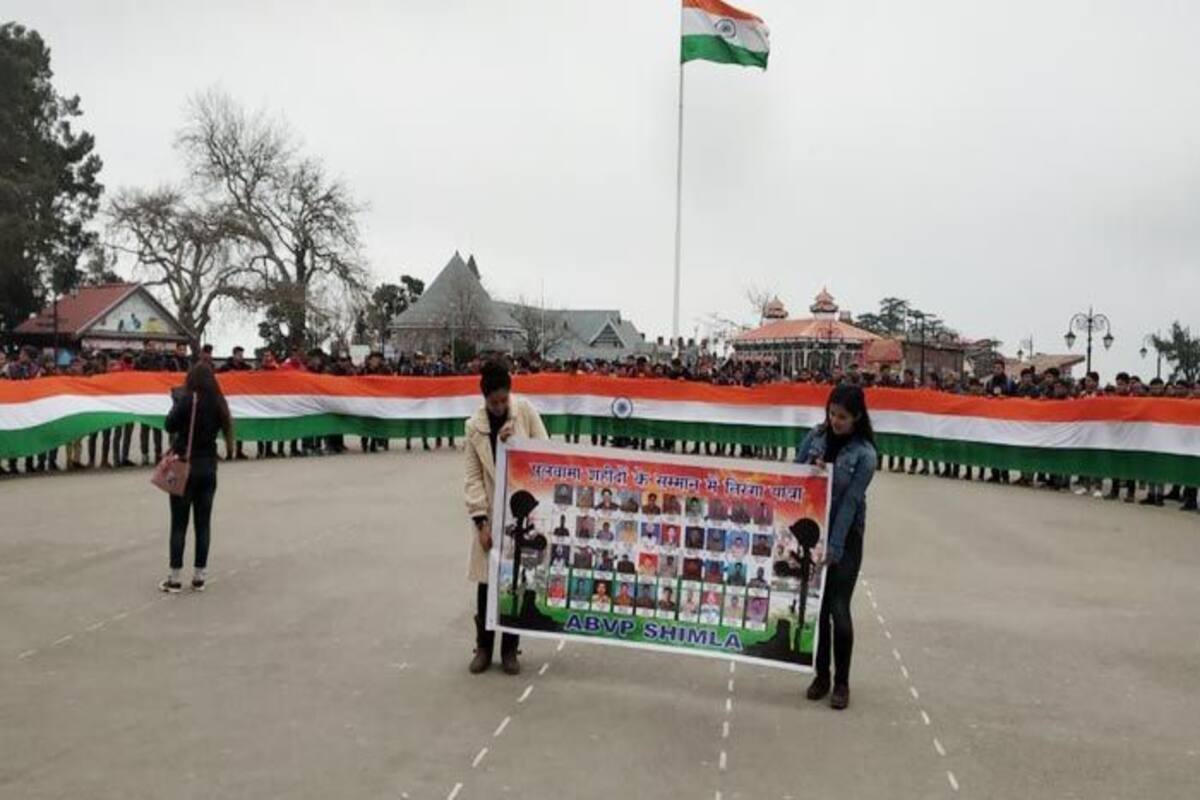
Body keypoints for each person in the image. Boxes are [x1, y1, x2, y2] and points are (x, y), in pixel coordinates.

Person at [795, 383, 877, 710]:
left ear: (857, 417)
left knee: (838, 609)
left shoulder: (865, 455)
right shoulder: (815, 437)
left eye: (842, 416)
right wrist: (809, 468)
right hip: (813, 531)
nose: (835, 421)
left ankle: (842, 682)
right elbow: (793, 476)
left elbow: (850, 504)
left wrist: (836, 547)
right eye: (831, 413)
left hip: (846, 535)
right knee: (820, 607)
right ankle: (821, 675)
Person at [464, 359, 548, 676]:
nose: (500, 407)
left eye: (503, 400)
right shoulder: (474, 426)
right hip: (492, 513)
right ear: (484, 399)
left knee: (517, 582)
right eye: (493, 402)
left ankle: (510, 648)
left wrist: (517, 444)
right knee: (487, 584)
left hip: (523, 508)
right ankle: (483, 646)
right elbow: (472, 477)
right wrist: (481, 522)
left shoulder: (524, 411)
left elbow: (545, 453)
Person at [159, 363, 235, 593]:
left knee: (179, 524)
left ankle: (174, 578)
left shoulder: (187, 400)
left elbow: (168, 425)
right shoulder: (218, 402)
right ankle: (200, 575)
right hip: (208, 467)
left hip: (184, 464)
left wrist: (176, 404)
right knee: (203, 524)